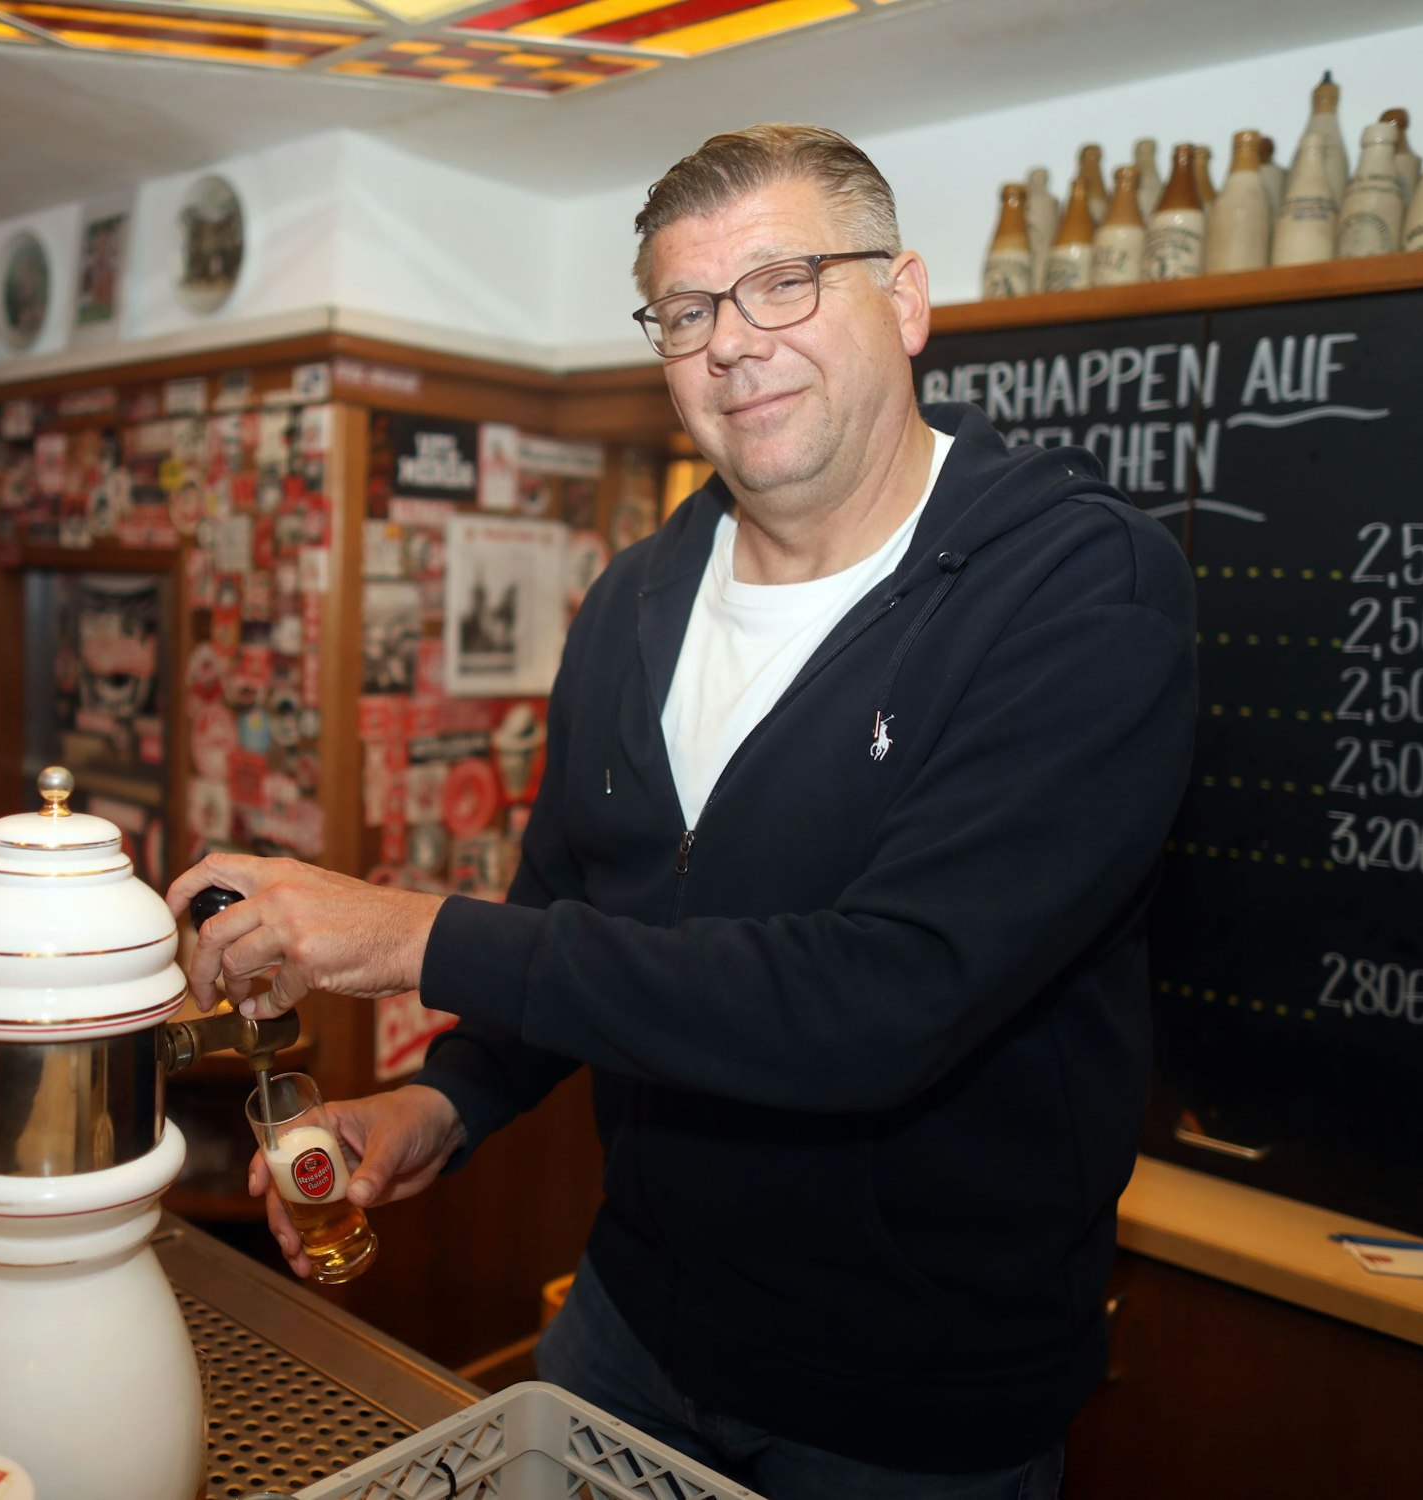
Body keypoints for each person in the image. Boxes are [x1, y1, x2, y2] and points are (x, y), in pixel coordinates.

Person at [167, 123, 1196, 1500]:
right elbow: (567, 926)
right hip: (623, 1327)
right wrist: (443, 1105)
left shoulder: (1080, 590)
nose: (732, 343)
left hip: (908, 1408)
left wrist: (408, 935)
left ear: (904, 300)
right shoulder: (631, 603)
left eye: (785, 283)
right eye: (688, 310)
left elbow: (880, 1002)